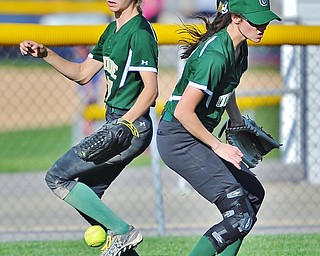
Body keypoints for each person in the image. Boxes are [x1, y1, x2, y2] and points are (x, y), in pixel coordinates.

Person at [19, 0, 158, 256]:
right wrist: (45, 53)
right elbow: (83, 74)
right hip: (116, 124)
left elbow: (151, 91)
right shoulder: (111, 30)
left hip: (130, 127)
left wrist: (125, 122)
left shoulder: (139, 33)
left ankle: (124, 231)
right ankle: (122, 239)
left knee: (57, 176)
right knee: (89, 198)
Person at [156, 0, 281, 255]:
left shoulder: (239, 48)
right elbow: (183, 112)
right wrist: (218, 146)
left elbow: (228, 87)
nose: (262, 26)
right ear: (235, 17)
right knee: (238, 213)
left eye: (265, 19)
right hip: (178, 138)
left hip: (194, 135)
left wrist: (236, 120)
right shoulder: (214, 56)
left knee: (252, 195)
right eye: (255, 20)